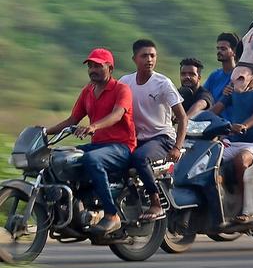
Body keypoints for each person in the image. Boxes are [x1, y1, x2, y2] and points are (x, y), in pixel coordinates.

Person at [46, 48, 136, 234]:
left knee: (92, 160)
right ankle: (66, 208)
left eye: (98, 66)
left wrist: (94, 126)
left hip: (121, 146)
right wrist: (44, 131)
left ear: (110, 68)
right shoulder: (88, 91)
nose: (93, 70)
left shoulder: (121, 89)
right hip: (98, 145)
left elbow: (117, 115)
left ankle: (111, 215)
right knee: (58, 158)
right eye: (90, 66)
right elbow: (72, 120)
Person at [120, 39, 187, 221]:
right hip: (137, 139)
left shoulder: (163, 83)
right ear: (134, 59)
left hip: (162, 138)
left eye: (152, 56)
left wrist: (177, 146)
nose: (149, 59)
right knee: (112, 158)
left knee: (140, 158)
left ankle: (156, 202)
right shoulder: (125, 82)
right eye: (144, 56)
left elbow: (182, 117)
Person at [210, 82, 253, 208]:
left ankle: (247, 205)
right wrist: (196, 119)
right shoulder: (233, 90)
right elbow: (217, 108)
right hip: (232, 140)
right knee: (208, 157)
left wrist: (245, 125)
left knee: (241, 160)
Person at [203, 32, 240, 117]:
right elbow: (203, 95)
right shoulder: (214, 76)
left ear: (234, 51)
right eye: (218, 48)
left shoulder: (239, 76)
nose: (219, 51)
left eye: (223, 49)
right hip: (213, 123)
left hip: (231, 125)